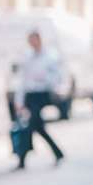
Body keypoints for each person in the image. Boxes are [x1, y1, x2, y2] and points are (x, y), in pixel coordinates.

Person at [12, 30, 65, 169]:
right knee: (36, 127)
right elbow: (22, 81)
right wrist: (19, 101)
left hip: (42, 95)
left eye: (34, 40)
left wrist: (44, 78)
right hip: (30, 95)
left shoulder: (49, 56)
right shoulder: (27, 57)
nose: (32, 43)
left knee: (31, 125)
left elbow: (57, 77)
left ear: (39, 40)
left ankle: (22, 159)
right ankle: (57, 153)